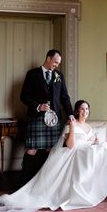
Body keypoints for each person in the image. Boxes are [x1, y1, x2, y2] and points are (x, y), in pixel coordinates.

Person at [0, 100, 107, 212]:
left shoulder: (89, 128)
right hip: (75, 153)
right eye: (82, 109)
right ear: (77, 111)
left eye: (87, 109)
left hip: (87, 150)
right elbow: (70, 145)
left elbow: (91, 140)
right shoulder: (71, 125)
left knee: (106, 149)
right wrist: (72, 128)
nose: (84, 111)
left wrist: (96, 141)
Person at [19, 49, 74, 186]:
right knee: (31, 150)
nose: (57, 65)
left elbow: (64, 97)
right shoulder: (32, 74)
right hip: (36, 117)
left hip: (54, 119)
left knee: (51, 150)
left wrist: (71, 114)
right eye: (55, 62)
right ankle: (24, 184)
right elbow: (24, 96)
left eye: (58, 63)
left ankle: (45, 184)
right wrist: (38, 106)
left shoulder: (59, 76)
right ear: (48, 58)